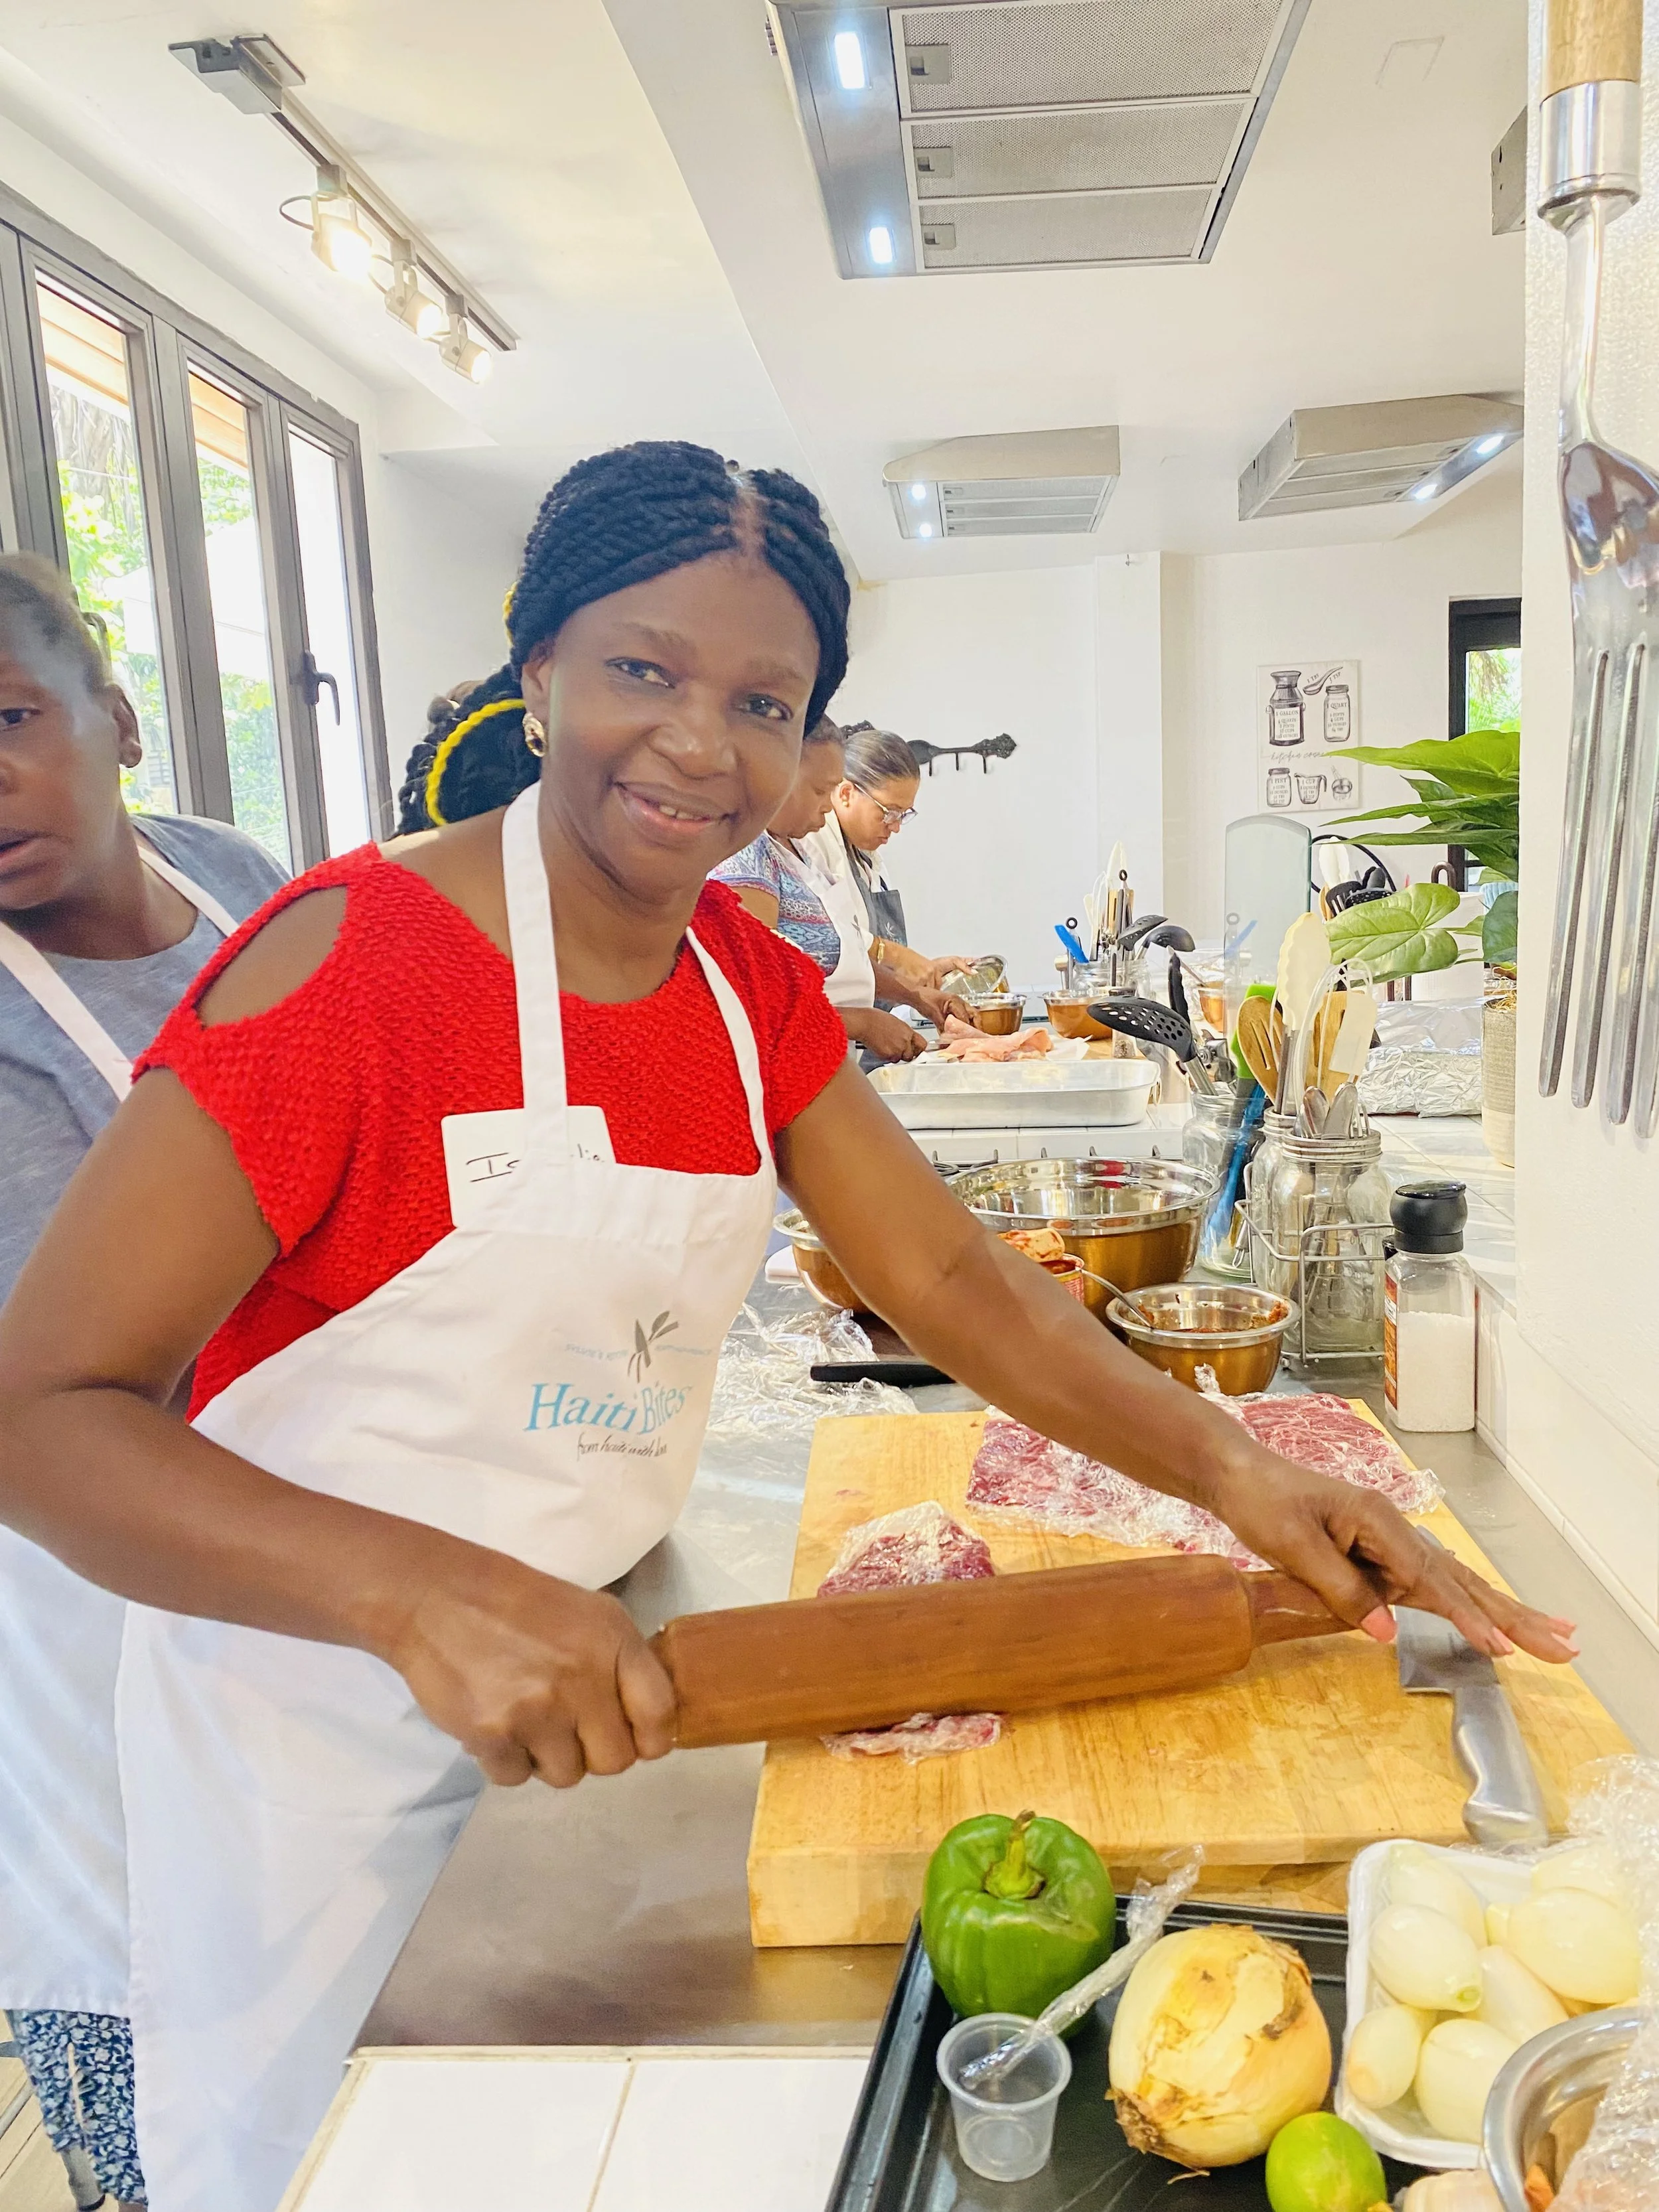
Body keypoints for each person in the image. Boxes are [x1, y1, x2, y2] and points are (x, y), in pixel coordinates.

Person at [0, 441, 1575, 2212]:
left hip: (600, 1705)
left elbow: (954, 1284)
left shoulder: (739, 993)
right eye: (640, 671)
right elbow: (45, 1408)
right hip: (313, 1734)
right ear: (534, 672)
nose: (698, 741)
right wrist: (416, 1594)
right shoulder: (347, 966)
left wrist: (1233, 1468)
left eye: (764, 698)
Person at [0, 553, 287, 2212]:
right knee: (174, 2129)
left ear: (112, 717)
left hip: (311, 1612)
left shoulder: (237, 877)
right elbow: (81, 1410)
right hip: (110, 1629)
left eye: (11, 718)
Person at [711, 716, 926, 1063]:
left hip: (825, 1063)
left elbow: (845, 958)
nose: (829, 807)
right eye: (820, 790)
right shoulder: (746, 859)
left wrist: (916, 996)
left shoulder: (797, 853)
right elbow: (754, 1007)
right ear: (777, 777)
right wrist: (862, 1023)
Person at [795, 719, 975, 1006]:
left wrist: (924, 972)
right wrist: (895, 955)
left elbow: (866, 959)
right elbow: (832, 942)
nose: (896, 826)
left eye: (903, 814)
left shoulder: (867, 856)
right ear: (845, 794)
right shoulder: (813, 840)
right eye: (889, 812)